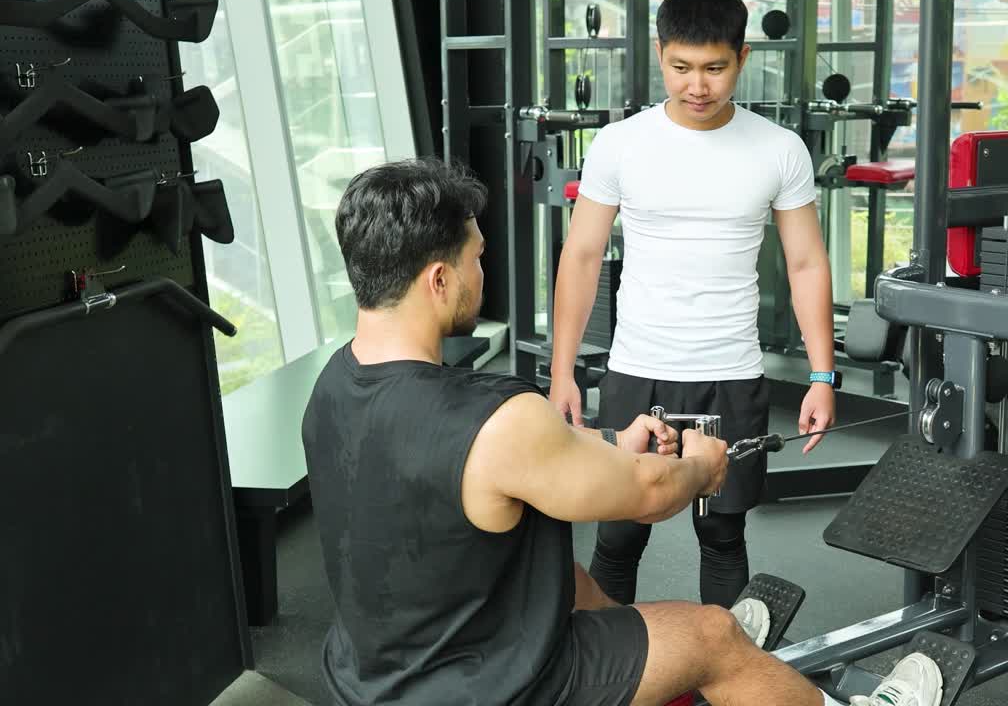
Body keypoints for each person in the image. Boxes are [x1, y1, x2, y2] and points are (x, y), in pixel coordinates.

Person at [301, 157, 943, 706]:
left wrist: (608, 442)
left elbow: (480, 473)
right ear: (438, 281)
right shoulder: (496, 416)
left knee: (564, 579)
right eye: (476, 260)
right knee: (712, 635)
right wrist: (702, 466)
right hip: (492, 686)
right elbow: (651, 494)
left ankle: (664, 669)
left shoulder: (331, 385)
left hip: (370, 676)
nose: (482, 274)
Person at [549, 0, 839, 610]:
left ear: (742, 56)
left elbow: (807, 261)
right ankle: (607, 680)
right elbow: (580, 256)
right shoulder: (620, 144)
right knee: (619, 535)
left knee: (722, 536)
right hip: (638, 365)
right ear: (659, 54)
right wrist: (562, 370)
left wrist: (821, 374)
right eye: (680, 67)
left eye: (714, 68)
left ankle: (722, 684)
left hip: (730, 372)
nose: (697, 86)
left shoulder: (779, 148)